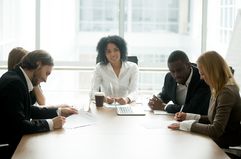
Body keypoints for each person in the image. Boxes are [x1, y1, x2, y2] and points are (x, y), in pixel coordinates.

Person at [0, 49, 78, 158]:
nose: (46, 79)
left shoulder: (17, 78)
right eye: (47, 73)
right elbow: (19, 126)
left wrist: (59, 111)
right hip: (7, 147)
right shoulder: (15, 83)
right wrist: (51, 124)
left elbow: (28, 109)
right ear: (38, 64)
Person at [168, 51, 241, 149]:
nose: (201, 78)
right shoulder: (218, 88)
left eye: (203, 74)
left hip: (224, 146)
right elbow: (213, 119)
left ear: (212, 72)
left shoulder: (226, 92)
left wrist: (184, 125)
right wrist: (188, 116)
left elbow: (216, 130)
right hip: (216, 141)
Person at [148, 50, 210, 115]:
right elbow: (165, 95)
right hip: (178, 120)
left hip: (200, 121)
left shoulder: (202, 77)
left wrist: (164, 107)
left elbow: (193, 109)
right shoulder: (169, 78)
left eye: (179, 70)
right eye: (172, 71)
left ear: (188, 65)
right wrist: (156, 101)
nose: (176, 75)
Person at [91, 35, 138, 105]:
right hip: (106, 108)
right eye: (108, 51)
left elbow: (134, 91)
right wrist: (104, 99)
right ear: (104, 54)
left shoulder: (133, 67)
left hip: (125, 106)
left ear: (121, 51)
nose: (112, 54)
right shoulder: (99, 68)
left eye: (116, 50)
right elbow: (93, 92)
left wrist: (126, 99)